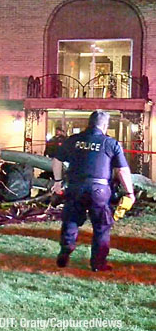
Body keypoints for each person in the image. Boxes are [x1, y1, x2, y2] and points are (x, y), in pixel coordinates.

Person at [51, 110, 135, 272]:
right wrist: (129, 193)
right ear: (105, 125)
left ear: (89, 123)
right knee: (102, 226)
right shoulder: (110, 143)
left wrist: (57, 182)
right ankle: (98, 263)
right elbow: (122, 171)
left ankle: (67, 248)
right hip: (100, 189)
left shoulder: (73, 140)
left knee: (71, 219)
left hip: (75, 187)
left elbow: (57, 160)